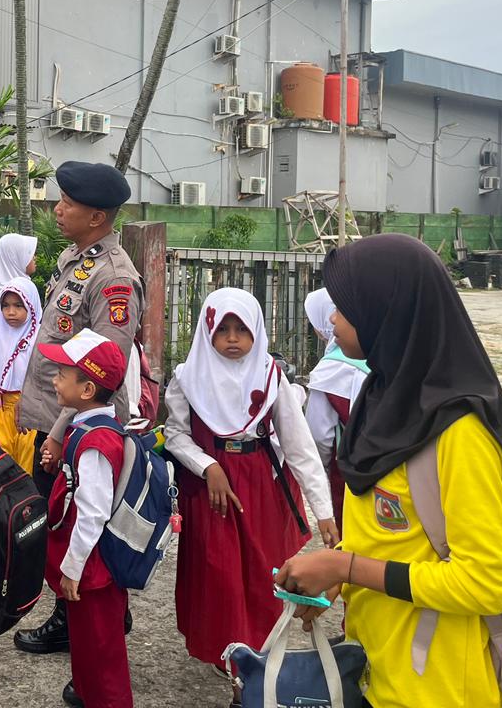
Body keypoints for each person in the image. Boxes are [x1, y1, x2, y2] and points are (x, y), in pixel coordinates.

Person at [276, 234, 502, 708]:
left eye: (346, 306)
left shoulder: (458, 432)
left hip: (437, 687)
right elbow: (395, 536)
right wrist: (341, 577)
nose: (332, 318)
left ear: (389, 312)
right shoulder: (383, 396)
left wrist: (346, 564)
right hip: (379, 667)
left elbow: (486, 583)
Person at [164, 287, 335, 702]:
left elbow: (298, 446)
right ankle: (236, 660)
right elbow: (175, 434)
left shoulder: (270, 377)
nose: (234, 338)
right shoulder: (188, 377)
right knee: (219, 577)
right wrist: (209, 466)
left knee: (262, 577)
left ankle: (254, 657)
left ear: (258, 329)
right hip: (212, 495)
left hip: (261, 489)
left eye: (242, 328)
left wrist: (324, 510)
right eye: (223, 328)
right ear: (208, 331)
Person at [16, 160, 143, 656]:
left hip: (78, 428)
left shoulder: (113, 279)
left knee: (73, 521)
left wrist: (58, 434)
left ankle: (76, 619)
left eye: (67, 202)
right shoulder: (77, 256)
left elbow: (101, 369)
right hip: (57, 419)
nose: (57, 208)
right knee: (59, 520)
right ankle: (95, 613)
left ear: (97, 216)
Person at [38, 329, 133, 708]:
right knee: (89, 646)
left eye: (63, 373)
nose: (55, 379)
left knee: (101, 651)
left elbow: (92, 511)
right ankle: (89, 693)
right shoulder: (90, 428)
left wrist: (73, 568)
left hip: (92, 568)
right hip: (92, 565)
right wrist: (60, 465)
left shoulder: (95, 441)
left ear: (88, 389)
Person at [302, 287, 368, 523]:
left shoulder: (330, 370)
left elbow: (318, 435)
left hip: (347, 472)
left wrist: (322, 475)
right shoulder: (381, 354)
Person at [0, 277, 41, 473]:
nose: (10, 312)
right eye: (5, 306)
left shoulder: (38, 344)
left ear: (31, 306)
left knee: (25, 464)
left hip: (28, 415)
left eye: (18, 305)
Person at [0, 232, 38, 342]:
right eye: (29, 253)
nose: (34, 257)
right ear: (14, 258)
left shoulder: (23, 288)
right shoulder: (7, 295)